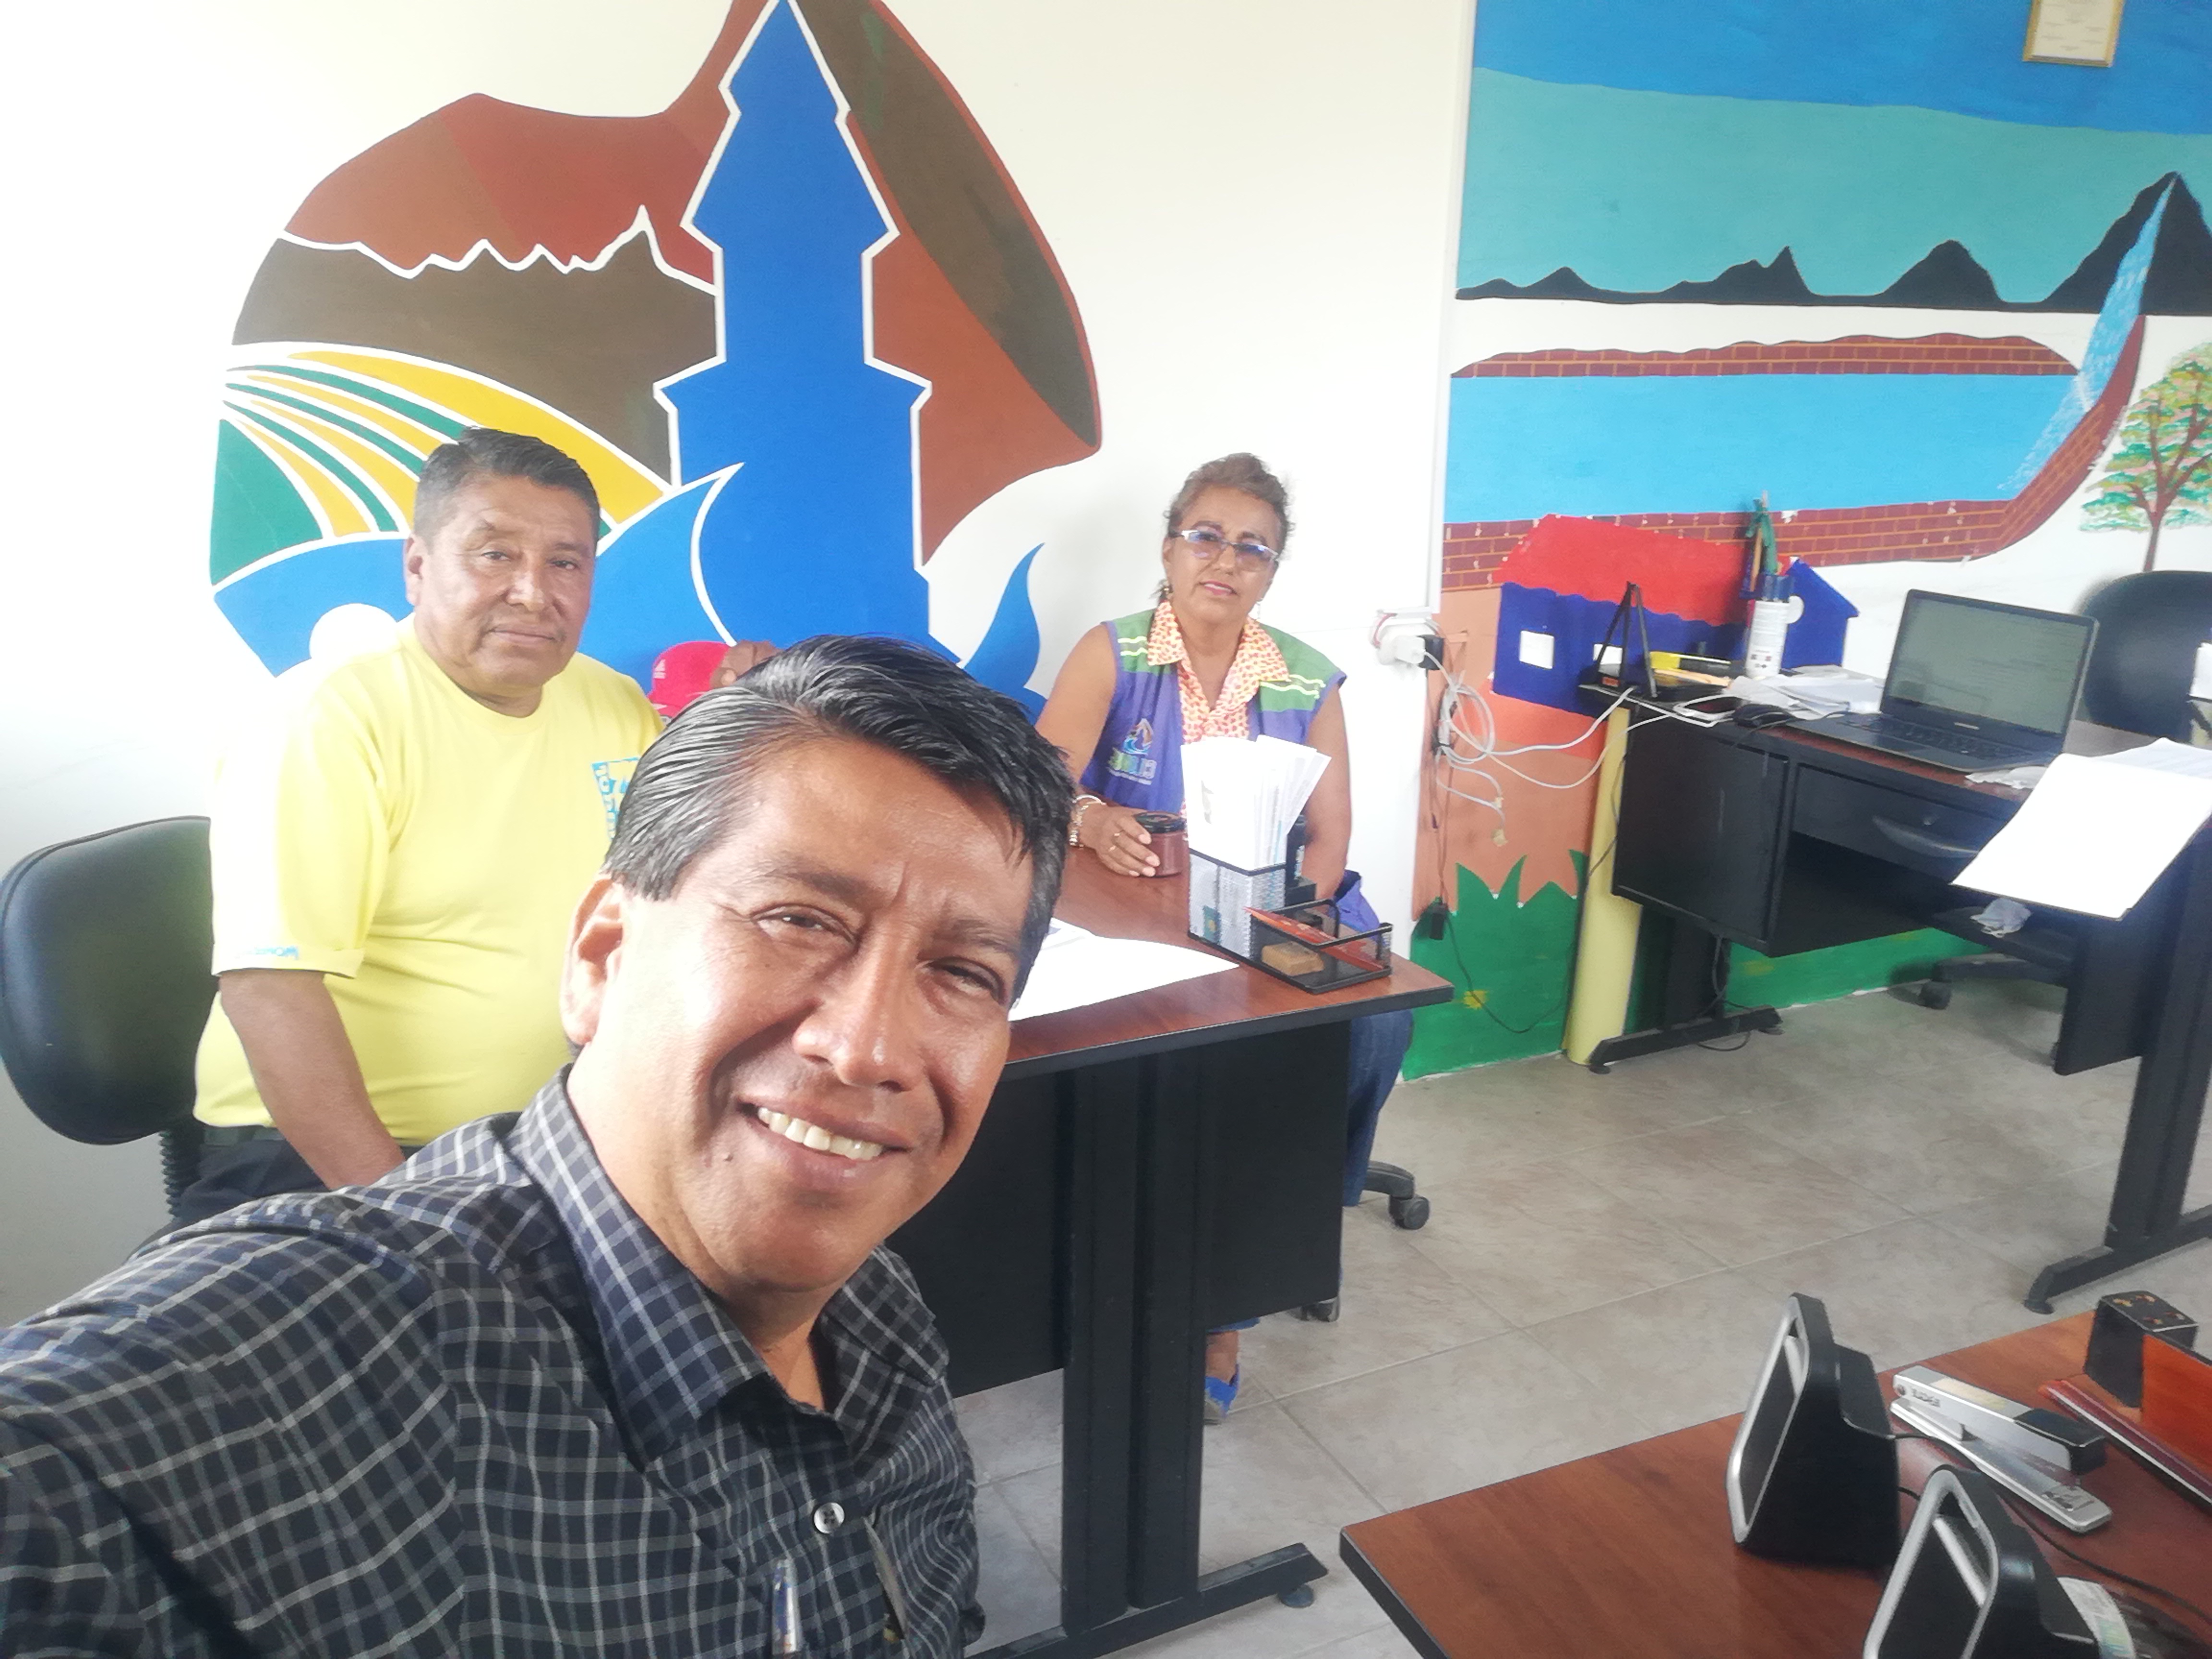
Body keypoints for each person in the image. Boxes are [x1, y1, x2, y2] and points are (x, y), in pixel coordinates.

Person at [0, 636, 1074, 1656]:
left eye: (963, 973)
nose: (868, 1047)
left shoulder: (878, 1313)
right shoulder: (259, 1403)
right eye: (798, 918)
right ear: (602, 957)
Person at [186, 428, 773, 1225]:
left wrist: (743, 725)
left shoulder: (608, 703)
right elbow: (269, 991)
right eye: (495, 555)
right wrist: (407, 1217)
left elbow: (696, 881)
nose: (532, 593)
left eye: (565, 563)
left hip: (549, 1148)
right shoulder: (326, 718)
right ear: (418, 566)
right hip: (345, 1166)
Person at [1035, 453, 1412, 1423]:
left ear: (1272, 571)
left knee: (1375, 1026)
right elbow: (1037, 787)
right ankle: (1184, 1291)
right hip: (1133, 905)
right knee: (1182, 1053)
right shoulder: (1113, 653)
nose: (1226, 560)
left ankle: (1282, 1242)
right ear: (1169, 548)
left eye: (1253, 548)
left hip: (1277, 906)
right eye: (1205, 537)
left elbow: (1329, 837)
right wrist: (1091, 819)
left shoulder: (1306, 676)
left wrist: (1280, 923)